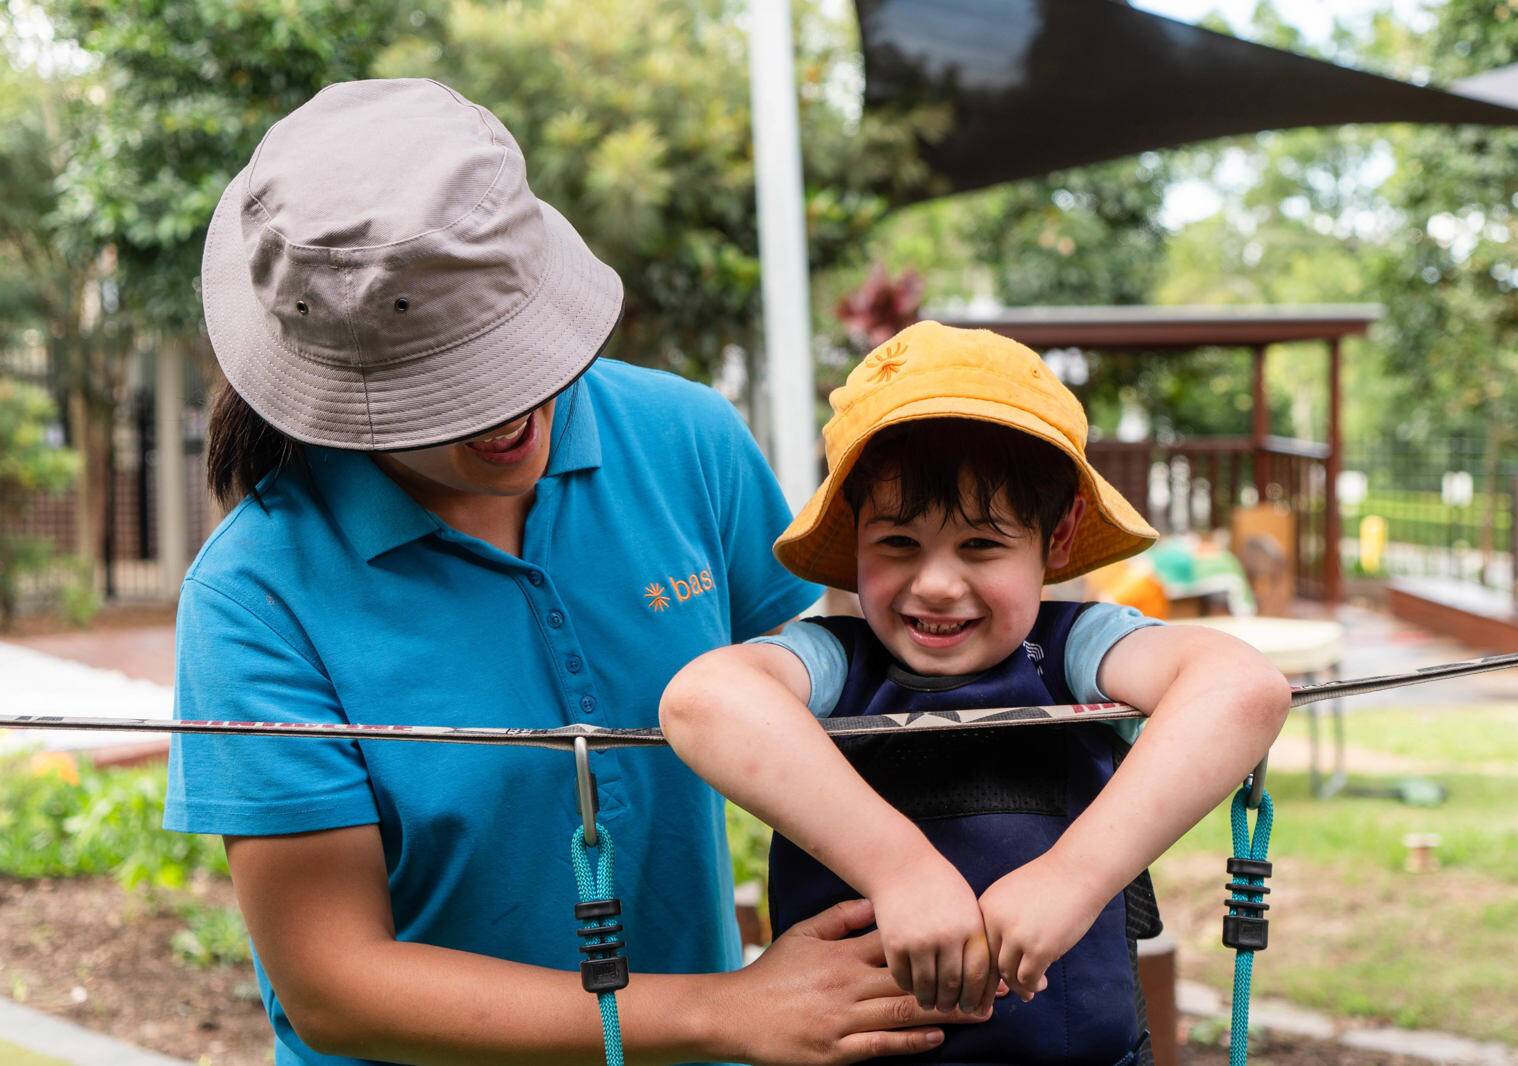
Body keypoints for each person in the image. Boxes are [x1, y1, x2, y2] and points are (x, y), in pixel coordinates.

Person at [165, 79, 990, 1065]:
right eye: (448, 393)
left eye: (510, 357)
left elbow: (847, 702)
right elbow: (335, 983)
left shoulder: (683, 439)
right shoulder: (254, 595)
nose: (508, 416)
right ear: (347, 386)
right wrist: (719, 1011)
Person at [660, 321, 1292, 1065]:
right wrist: (902, 869)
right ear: (855, 535)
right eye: (897, 543)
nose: (935, 583)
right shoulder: (831, 662)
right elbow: (700, 700)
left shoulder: (1078, 648)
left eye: (982, 545)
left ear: (1057, 540)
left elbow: (1242, 687)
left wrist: (1073, 877)